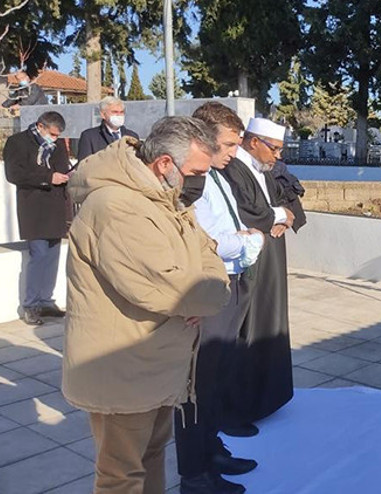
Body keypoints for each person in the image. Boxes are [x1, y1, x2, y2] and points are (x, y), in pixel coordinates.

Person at [62, 117, 230, 494]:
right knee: (121, 475)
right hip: (122, 368)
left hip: (155, 364)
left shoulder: (165, 200)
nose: (199, 180)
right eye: (195, 172)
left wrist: (210, 285)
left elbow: (209, 255)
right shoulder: (117, 207)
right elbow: (167, 288)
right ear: (165, 164)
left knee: (152, 455)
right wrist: (213, 294)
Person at [173, 103, 264, 494]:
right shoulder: (193, 180)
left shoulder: (219, 175)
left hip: (232, 281)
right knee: (198, 384)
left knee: (218, 376)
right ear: (205, 138)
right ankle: (194, 473)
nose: (234, 152)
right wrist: (245, 242)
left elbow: (232, 223)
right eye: (228, 144)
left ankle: (212, 448)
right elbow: (203, 241)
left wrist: (245, 238)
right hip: (210, 286)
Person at [220, 118, 295, 435]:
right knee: (246, 330)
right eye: (274, 148)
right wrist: (278, 215)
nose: (277, 156)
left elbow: (282, 197)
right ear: (254, 142)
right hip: (250, 260)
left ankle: (266, 399)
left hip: (270, 255)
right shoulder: (234, 169)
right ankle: (238, 406)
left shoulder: (264, 169)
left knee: (269, 324)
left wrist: (287, 215)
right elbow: (249, 211)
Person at [3, 111, 70, 325]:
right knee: (38, 254)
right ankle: (31, 304)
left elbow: (63, 167)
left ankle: (46, 301)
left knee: (53, 255)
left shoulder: (57, 145)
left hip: (56, 205)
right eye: (52, 134)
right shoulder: (18, 142)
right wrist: (48, 177)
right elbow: (15, 174)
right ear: (40, 126)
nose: (55, 139)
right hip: (34, 206)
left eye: (58, 135)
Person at [77, 96, 140, 161]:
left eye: (121, 112)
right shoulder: (89, 137)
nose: (119, 115)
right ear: (103, 115)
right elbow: (84, 166)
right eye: (114, 112)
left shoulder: (132, 136)